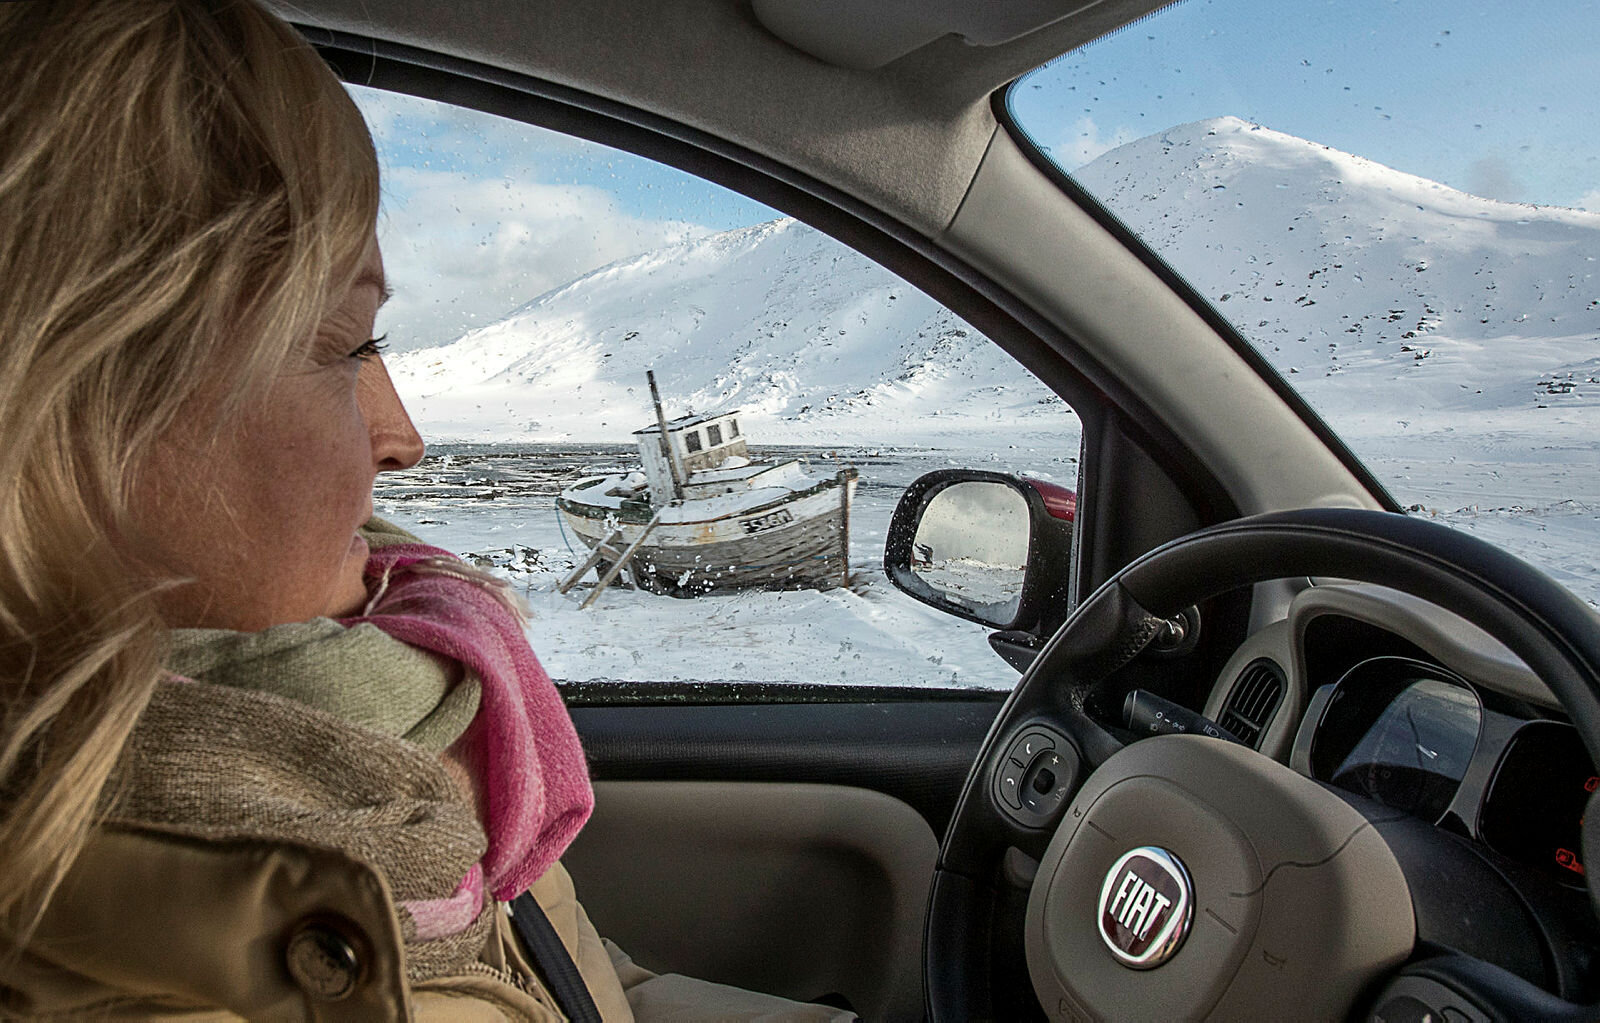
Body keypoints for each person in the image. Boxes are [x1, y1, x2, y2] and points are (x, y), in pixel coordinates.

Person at [0, 3, 856, 1019]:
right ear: (60, 417)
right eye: (346, 346)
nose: (403, 437)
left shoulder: (406, 719)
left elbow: (572, 983)